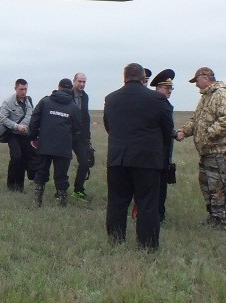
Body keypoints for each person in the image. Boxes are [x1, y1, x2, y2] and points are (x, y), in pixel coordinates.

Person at [103, 63, 174, 249]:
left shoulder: (110, 99)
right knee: (148, 204)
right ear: (143, 78)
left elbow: (109, 127)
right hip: (147, 161)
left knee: (117, 202)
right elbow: (168, 131)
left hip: (118, 159)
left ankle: (116, 241)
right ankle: (147, 245)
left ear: (124, 77)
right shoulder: (158, 99)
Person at [175, 66, 226, 230]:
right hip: (207, 152)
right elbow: (196, 120)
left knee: (218, 187)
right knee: (206, 185)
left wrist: (208, 135)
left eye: (197, 81)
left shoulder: (221, 94)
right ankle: (213, 217)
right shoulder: (205, 97)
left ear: (205, 78)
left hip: (218, 151)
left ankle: (221, 222)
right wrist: (184, 131)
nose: (196, 85)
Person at [28, 78, 82, 207]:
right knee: (61, 176)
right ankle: (63, 204)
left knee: (41, 172)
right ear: (71, 90)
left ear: (58, 87)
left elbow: (34, 121)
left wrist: (33, 137)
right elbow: (78, 128)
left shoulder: (45, 102)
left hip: (44, 145)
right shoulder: (74, 107)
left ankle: (37, 202)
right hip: (63, 147)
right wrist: (70, 141)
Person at [0, 78, 35, 192]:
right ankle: (11, 184)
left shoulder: (29, 100)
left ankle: (19, 186)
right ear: (15, 88)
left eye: (25, 89)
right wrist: (16, 126)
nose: (23, 92)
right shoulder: (8, 101)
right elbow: (3, 118)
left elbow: (31, 116)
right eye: (21, 89)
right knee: (16, 157)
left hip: (25, 135)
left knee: (25, 159)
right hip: (13, 134)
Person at [150, 69, 176, 223]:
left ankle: (159, 212)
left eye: (171, 88)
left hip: (164, 151)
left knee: (161, 185)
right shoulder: (157, 103)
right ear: (158, 88)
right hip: (156, 151)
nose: (169, 91)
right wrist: (173, 134)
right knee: (156, 186)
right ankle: (157, 214)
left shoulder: (165, 103)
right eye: (166, 88)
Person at [70, 72, 93, 200]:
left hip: (80, 136)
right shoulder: (67, 94)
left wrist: (88, 138)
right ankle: (60, 190)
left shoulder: (85, 96)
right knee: (63, 163)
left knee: (84, 162)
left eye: (84, 82)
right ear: (74, 81)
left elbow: (86, 117)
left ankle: (78, 190)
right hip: (67, 134)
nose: (82, 84)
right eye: (79, 81)